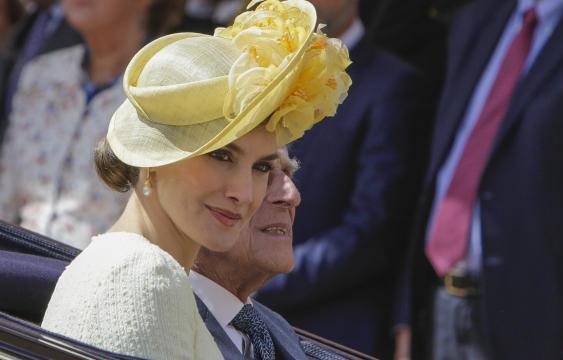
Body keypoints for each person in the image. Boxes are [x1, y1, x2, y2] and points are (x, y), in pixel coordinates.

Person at [39, 0, 352, 358]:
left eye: (261, 167)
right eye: (221, 155)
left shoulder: (154, 273)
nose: (244, 192)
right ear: (155, 155)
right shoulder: (140, 274)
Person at [399, 0, 563, 359]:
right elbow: (440, 171)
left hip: (541, 327)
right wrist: (403, 315)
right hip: (440, 305)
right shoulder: (478, 18)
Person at [254, 0, 431, 357]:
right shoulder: (251, 74)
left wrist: (260, 277)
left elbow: (370, 232)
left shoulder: (390, 84)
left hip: (327, 334)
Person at [0, 0, 183, 248]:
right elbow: (6, 189)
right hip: (21, 263)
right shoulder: (41, 73)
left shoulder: (166, 90)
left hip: (107, 272)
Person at [190, 147, 308, 359]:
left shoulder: (279, 331)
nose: (292, 196)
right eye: (262, 170)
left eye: (288, 174)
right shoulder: (155, 321)